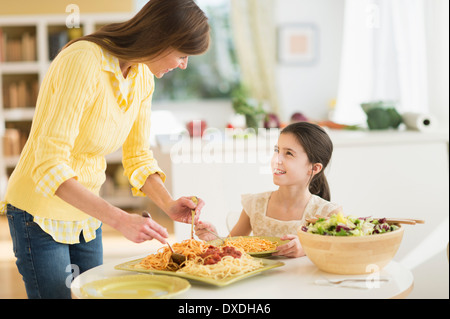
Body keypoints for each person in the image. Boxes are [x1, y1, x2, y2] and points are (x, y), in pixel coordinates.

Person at [1, 0, 209, 299]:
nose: (183, 64)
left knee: (94, 295)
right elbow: (48, 164)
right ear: (161, 39)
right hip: (39, 211)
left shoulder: (142, 78)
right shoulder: (83, 60)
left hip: (87, 211)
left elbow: (137, 156)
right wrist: (120, 219)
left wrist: (168, 204)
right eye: (183, 54)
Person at [195, 122, 342, 257]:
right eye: (277, 150)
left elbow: (340, 255)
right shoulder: (254, 204)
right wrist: (214, 239)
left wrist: (307, 248)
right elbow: (230, 248)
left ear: (314, 168)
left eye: (289, 153)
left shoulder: (327, 213)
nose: (277, 160)